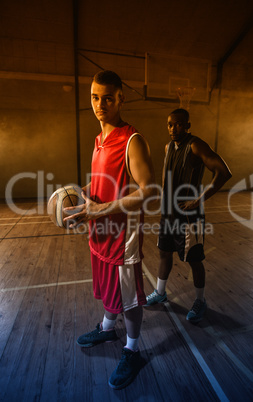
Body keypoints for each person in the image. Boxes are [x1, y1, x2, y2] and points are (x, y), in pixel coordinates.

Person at [64, 70, 156, 390]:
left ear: (120, 99)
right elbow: (103, 182)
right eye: (94, 97)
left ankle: (132, 349)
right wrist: (84, 196)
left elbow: (148, 191)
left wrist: (100, 209)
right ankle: (107, 328)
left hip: (123, 237)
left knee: (128, 298)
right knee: (107, 285)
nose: (99, 104)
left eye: (107, 98)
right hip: (101, 231)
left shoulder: (133, 140)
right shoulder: (99, 139)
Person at [145, 108, 232, 323]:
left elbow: (224, 172)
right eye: (170, 124)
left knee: (194, 260)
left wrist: (198, 200)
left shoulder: (195, 145)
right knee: (164, 254)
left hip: (188, 217)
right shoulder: (168, 147)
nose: (173, 128)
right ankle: (160, 292)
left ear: (187, 125)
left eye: (178, 124)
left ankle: (200, 300)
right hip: (168, 215)